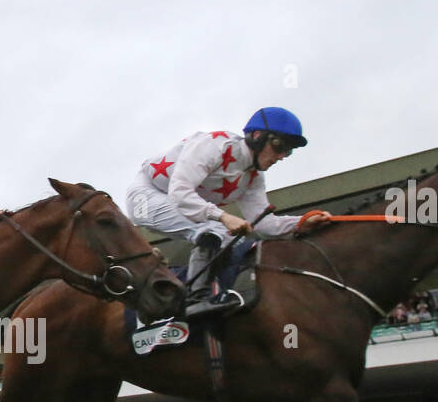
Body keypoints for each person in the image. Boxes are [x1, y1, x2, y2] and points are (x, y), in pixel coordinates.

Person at [126, 107, 332, 317]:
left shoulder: (253, 177)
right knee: (216, 228)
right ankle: (196, 300)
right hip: (145, 196)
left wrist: (301, 223)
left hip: (176, 201)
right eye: (279, 146)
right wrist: (223, 216)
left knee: (231, 240)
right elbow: (180, 193)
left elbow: (264, 225)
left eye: (288, 151)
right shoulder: (215, 146)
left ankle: (198, 290)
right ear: (257, 136)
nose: (281, 156)